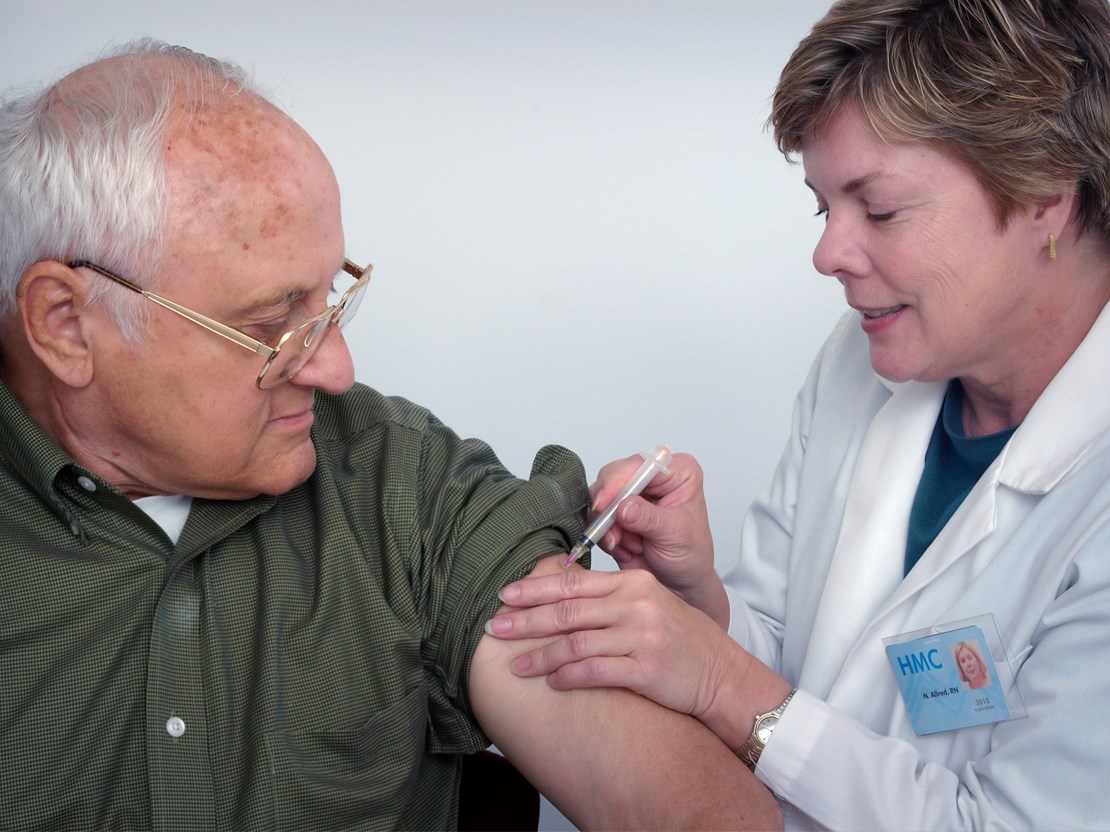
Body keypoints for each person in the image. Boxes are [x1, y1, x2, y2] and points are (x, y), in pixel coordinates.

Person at [0, 41, 783, 831]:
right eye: (274, 325)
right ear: (66, 327)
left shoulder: (398, 487)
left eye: (332, 299)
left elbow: (706, 813)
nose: (337, 369)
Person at [485, 0, 1110, 828]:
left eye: (878, 210)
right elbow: (799, 671)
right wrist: (697, 595)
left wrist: (718, 678)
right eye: (824, 208)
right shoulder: (867, 357)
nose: (827, 254)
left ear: (1043, 196)